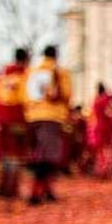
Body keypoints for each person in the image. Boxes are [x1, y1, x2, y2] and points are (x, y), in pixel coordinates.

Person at [23, 45, 71, 204]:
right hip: (51, 117)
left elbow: (24, 95)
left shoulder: (31, 71)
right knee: (48, 157)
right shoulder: (59, 72)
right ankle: (35, 193)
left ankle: (47, 190)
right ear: (56, 56)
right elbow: (66, 94)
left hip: (32, 117)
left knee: (38, 154)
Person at [0, 48, 29, 198]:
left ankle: (2, 186)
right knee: (15, 153)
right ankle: (12, 188)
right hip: (19, 119)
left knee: (2, 154)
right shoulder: (26, 75)